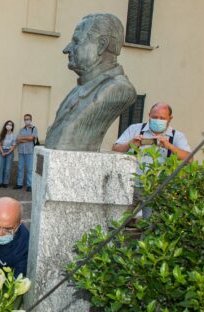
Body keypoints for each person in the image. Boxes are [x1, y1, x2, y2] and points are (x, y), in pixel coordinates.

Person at [45, 13, 136, 151]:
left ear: (101, 45)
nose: (67, 49)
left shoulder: (118, 89)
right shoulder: (78, 89)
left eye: (76, 41)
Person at [112, 102, 191, 218]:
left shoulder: (177, 136)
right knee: (118, 221)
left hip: (158, 190)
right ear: (149, 115)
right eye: (154, 117)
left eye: (162, 118)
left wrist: (169, 146)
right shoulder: (135, 129)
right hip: (131, 186)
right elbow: (115, 149)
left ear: (170, 118)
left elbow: (189, 159)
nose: (157, 120)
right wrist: (131, 144)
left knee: (150, 227)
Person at [14, 114, 38, 192]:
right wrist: (27, 139)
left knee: (29, 169)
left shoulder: (34, 129)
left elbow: (32, 138)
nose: (26, 120)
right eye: (25, 119)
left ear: (31, 120)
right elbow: (18, 139)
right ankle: (19, 184)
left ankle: (29, 185)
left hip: (29, 151)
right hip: (21, 151)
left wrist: (22, 139)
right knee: (20, 168)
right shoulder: (21, 130)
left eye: (28, 119)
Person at [0, 120, 16, 188]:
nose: (9, 126)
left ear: (12, 127)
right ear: (5, 125)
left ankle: (5, 183)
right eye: (8, 124)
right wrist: (2, 152)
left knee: (7, 168)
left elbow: (14, 146)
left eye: (11, 125)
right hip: (2, 152)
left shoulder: (13, 135)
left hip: (10, 152)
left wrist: (7, 152)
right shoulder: (2, 135)